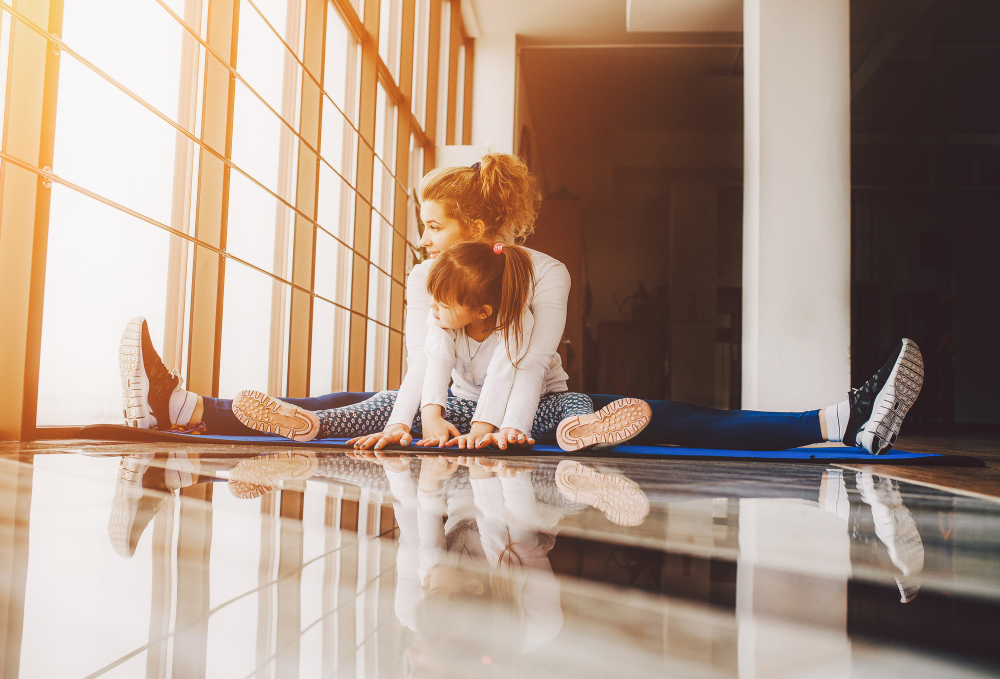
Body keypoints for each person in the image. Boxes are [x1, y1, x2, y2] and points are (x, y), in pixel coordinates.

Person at [230, 241, 652, 450]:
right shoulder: (443, 322)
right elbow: (431, 367)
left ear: (482, 310)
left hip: (533, 406)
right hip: (466, 407)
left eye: (443, 302)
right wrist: (419, 418)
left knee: (573, 401)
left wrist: (500, 430)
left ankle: (577, 431)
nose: (432, 308)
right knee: (386, 401)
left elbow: (513, 377)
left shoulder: (518, 323)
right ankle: (313, 423)